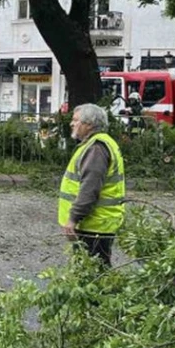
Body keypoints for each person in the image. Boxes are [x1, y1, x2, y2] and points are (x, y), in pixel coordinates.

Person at [58, 103, 125, 267]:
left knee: (94, 273)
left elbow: (89, 188)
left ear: (89, 124)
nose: (71, 124)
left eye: (76, 120)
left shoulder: (96, 148)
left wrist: (73, 218)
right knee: (92, 270)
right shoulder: (98, 144)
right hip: (97, 224)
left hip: (94, 225)